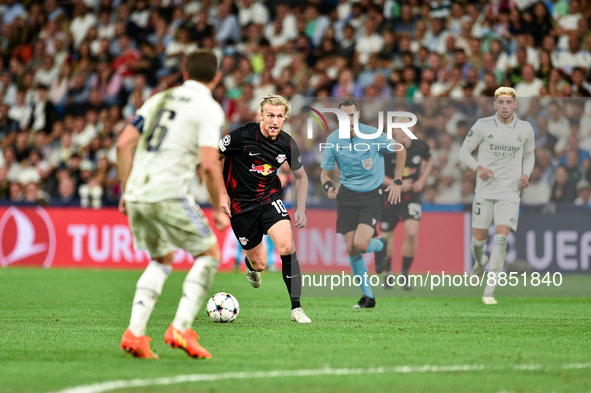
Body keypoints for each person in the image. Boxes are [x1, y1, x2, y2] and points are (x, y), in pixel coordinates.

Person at [116, 50, 231, 359]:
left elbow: (123, 142)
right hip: (168, 193)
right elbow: (209, 164)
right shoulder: (209, 108)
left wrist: (126, 191)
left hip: (138, 193)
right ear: (216, 78)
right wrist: (220, 203)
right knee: (209, 254)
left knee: (161, 258)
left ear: (184, 72)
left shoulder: (159, 98)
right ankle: (180, 328)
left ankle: (135, 333)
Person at [219, 94, 311, 323]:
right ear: (260, 115)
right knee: (259, 263)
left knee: (287, 245)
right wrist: (221, 194)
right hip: (240, 206)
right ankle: (251, 265)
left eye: (280, 117)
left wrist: (301, 208)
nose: (275, 121)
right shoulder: (242, 135)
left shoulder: (287, 143)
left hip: (269, 199)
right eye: (270, 115)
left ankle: (297, 308)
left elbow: (302, 176)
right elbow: (214, 157)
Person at [320, 97, 406, 308]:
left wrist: (397, 182)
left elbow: (401, 150)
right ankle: (368, 297)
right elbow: (325, 173)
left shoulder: (373, 135)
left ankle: (380, 245)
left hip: (371, 195)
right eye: (344, 116)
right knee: (351, 248)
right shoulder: (333, 140)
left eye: (352, 115)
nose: (348, 120)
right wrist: (328, 186)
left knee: (361, 244)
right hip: (347, 196)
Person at [459, 86, 535, 305]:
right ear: (494, 104)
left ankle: (489, 291)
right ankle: (478, 262)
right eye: (500, 102)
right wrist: (478, 168)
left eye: (508, 103)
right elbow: (463, 152)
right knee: (478, 242)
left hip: (510, 193)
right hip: (484, 191)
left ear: (515, 104)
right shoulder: (482, 125)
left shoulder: (525, 128)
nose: (504, 106)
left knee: (501, 238)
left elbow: (529, 155)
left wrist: (525, 174)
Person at [380, 122, 433, 290]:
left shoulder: (420, 146)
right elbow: (376, 175)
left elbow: (430, 159)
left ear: (412, 131)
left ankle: (404, 273)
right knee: (386, 237)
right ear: (393, 131)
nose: (403, 132)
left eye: (406, 128)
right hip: (389, 196)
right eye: (399, 129)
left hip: (411, 196)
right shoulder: (385, 149)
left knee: (411, 233)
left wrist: (422, 180)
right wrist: (397, 184)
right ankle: (388, 272)